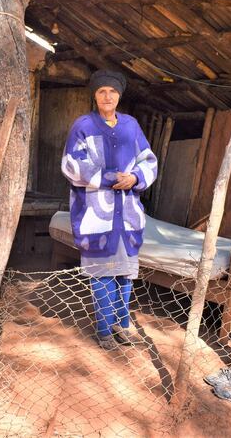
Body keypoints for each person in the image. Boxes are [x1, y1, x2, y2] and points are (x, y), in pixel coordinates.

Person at [61, 70, 158, 350]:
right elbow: (71, 164)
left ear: (119, 96)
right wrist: (108, 178)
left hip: (127, 215)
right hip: (95, 215)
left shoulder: (130, 126)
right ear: (94, 95)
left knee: (125, 273)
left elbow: (148, 160)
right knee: (102, 272)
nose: (107, 96)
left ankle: (121, 325)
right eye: (102, 91)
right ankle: (104, 330)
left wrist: (136, 178)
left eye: (112, 92)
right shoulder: (83, 126)